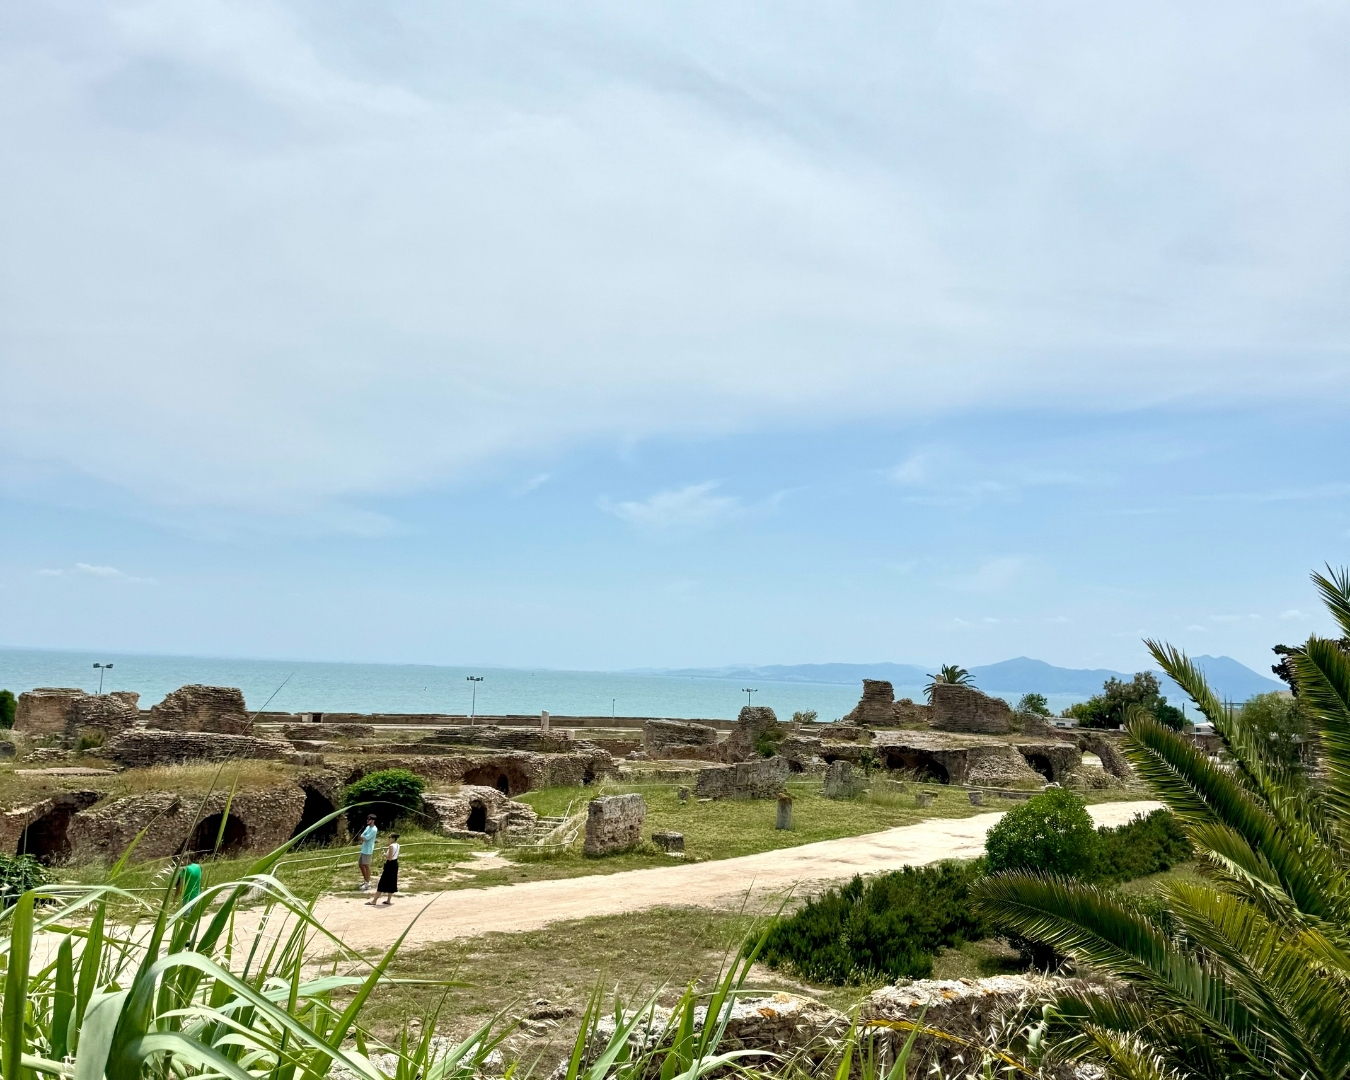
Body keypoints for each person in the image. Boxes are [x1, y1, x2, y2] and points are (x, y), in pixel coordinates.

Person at [367, 833, 399, 906]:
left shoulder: (391, 846)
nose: (389, 839)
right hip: (395, 865)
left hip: (389, 865)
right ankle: (388, 900)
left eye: (390, 838)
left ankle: (374, 901)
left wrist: (384, 854)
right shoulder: (398, 845)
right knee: (392, 882)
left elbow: (389, 858)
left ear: (393, 838)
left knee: (382, 882)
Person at [357, 815, 379, 890]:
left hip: (368, 850)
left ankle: (367, 883)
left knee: (366, 865)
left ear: (373, 821)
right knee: (360, 864)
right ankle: (365, 880)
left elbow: (365, 838)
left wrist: (362, 837)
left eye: (369, 819)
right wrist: (362, 837)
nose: (367, 821)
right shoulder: (367, 827)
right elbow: (363, 835)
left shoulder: (374, 829)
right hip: (363, 849)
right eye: (367, 819)